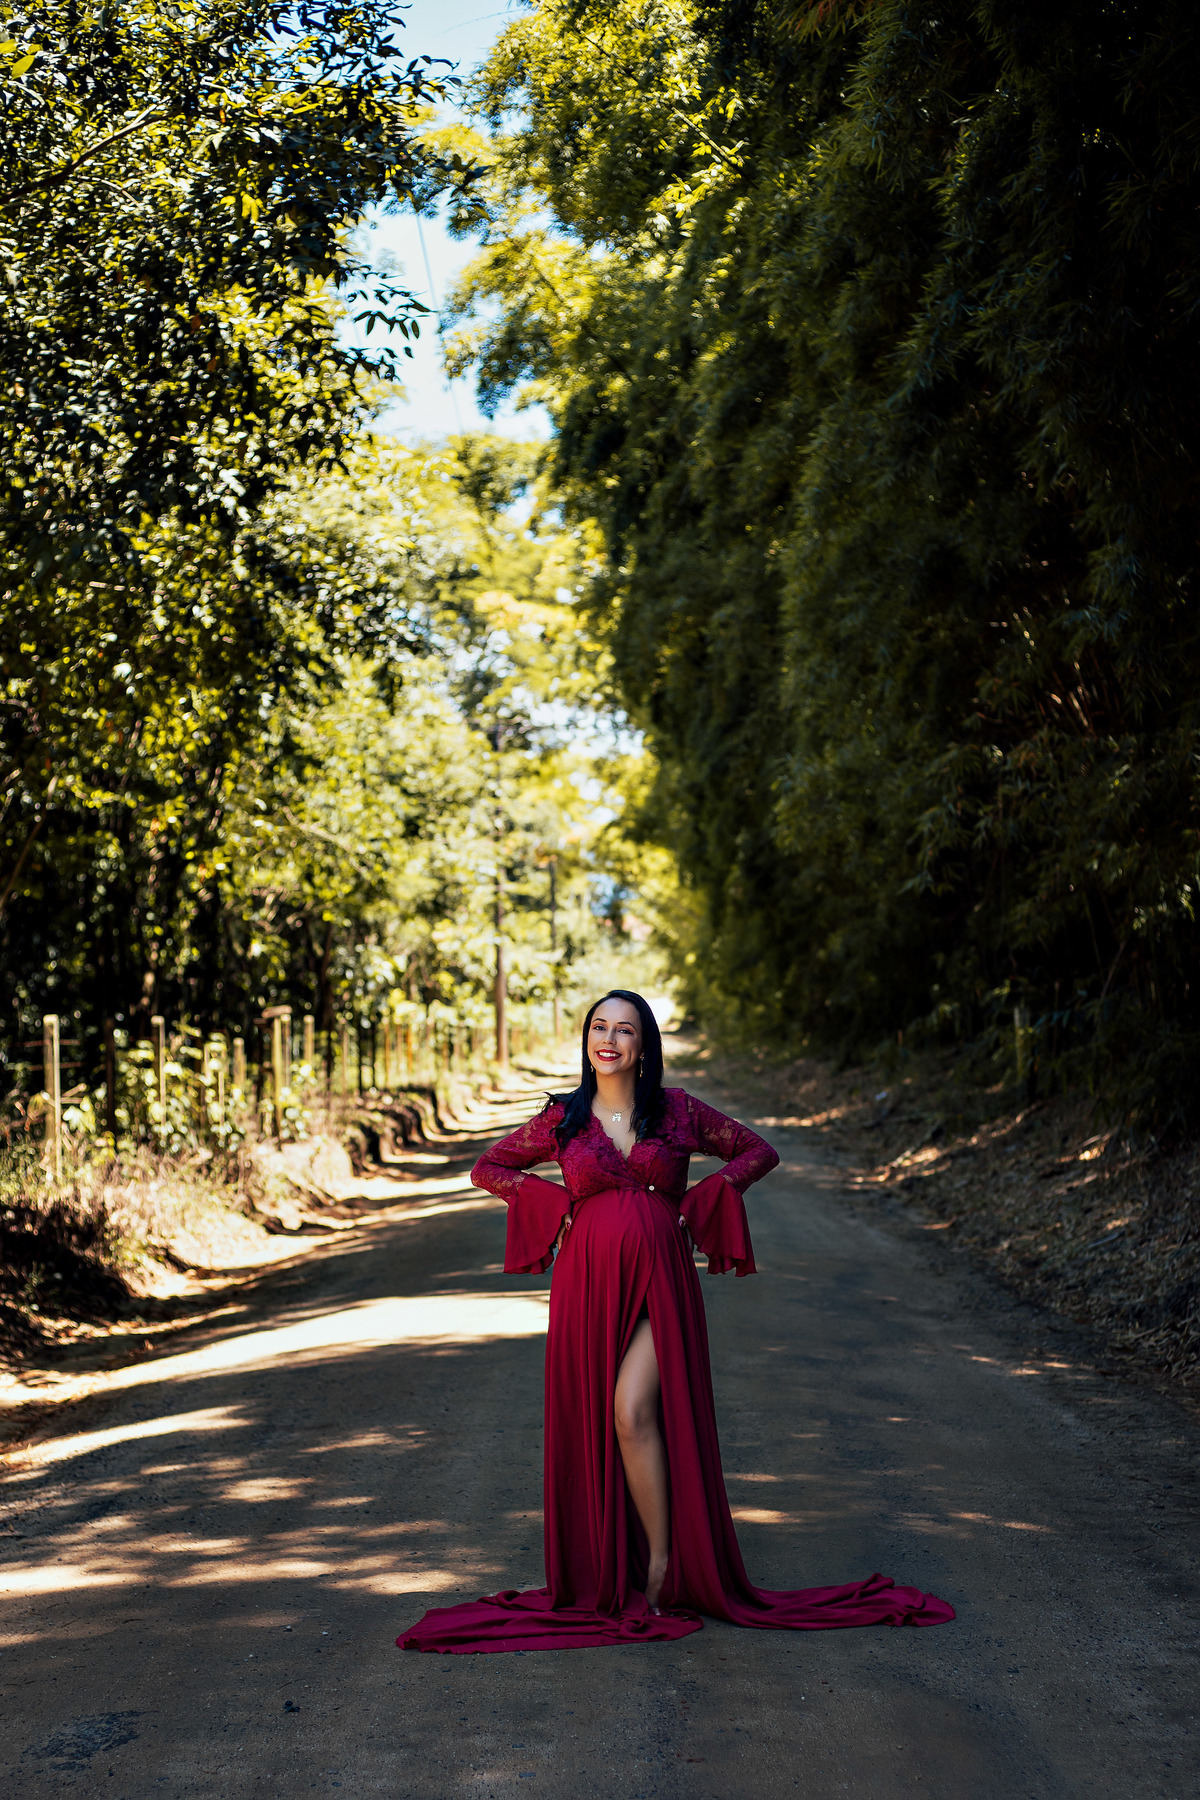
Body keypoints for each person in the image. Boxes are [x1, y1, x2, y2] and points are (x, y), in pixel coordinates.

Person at [398, 989, 953, 1653]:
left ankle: (663, 1563)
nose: (609, 1040)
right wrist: (554, 1207)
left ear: (644, 1046)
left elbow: (756, 1152)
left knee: (632, 1412)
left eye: (624, 1030)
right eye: (599, 1027)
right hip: (587, 1285)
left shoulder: (679, 1111)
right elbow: (487, 1168)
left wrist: (705, 1199)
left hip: (663, 1277)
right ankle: (614, 1566)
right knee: (602, 1417)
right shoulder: (562, 1120)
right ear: (586, 1039)